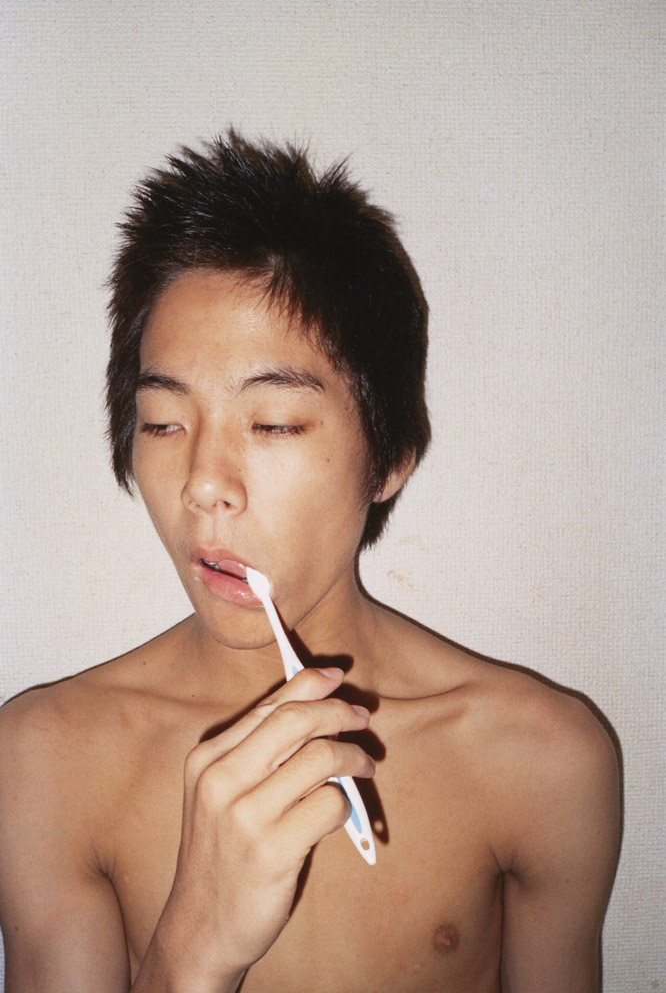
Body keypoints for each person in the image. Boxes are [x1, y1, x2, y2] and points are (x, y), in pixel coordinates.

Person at [0, 131, 620, 992]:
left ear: (391, 457)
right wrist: (193, 951)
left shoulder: (545, 759)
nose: (203, 488)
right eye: (163, 423)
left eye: (275, 424)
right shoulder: (43, 760)